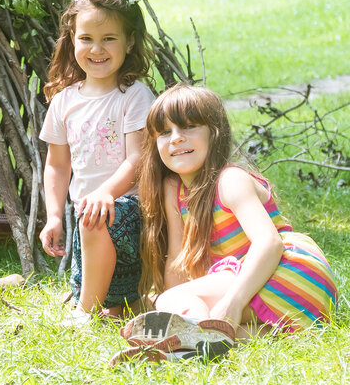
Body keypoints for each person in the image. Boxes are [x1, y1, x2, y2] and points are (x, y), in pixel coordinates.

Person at [117, 84, 339, 363]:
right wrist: (167, 296)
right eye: (164, 132)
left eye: (189, 127)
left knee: (172, 303)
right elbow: (177, 260)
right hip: (286, 301)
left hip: (289, 271)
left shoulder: (230, 180)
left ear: (215, 133)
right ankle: (185, 351)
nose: (176, 139)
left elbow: (269, 243)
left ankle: (190, 336)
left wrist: (231, 305)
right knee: (174, 302)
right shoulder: (174, 190)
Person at [39, 0, 156, 324]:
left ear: (129, 41)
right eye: (86, 39)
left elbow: (138, 158)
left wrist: (105, 192)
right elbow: (57, 165)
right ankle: (105, 303)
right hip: (88, 214)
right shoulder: (64, 102)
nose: (97, 49)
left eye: (109, 39)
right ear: (72, 40)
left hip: (131, 208)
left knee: (96, 219)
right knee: (112, 299)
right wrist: (55, 215)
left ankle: (84, 312)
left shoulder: (134, 96)